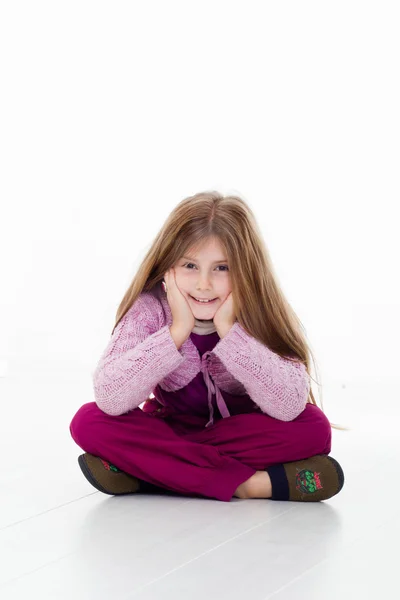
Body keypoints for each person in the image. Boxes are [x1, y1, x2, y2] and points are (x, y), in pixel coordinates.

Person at [70, 191, 345, 502]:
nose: (203, 284)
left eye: (222, 268)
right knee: (88, 421)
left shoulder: (257, 312)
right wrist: (177, 331)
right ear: (168, 267)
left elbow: (289, 405)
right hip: (170, 431)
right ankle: (249, 484)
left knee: (314, 428)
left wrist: (230, 331)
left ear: (246, 271)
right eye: (189, 265)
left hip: (239, 435)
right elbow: (110, 396)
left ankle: (151, 472)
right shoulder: (150, 310)